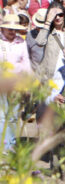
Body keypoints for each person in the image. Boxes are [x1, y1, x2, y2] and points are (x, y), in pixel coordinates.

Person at [0, 14, 33, 151]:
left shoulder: (21, 42)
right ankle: (4, 146)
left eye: (15, 29)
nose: (12, 32)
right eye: (10, 29)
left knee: (13, 116)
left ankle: (11, 145)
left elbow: (26, 63)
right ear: (3, 28)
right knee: (2, 116)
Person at [34, 3, 65, 81]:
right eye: (54, 16)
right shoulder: (47, 31)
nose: (57, 17)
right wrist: (48, 21)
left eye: (60, 15)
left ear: (64, 15)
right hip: (48, 77)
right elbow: (39, 42)